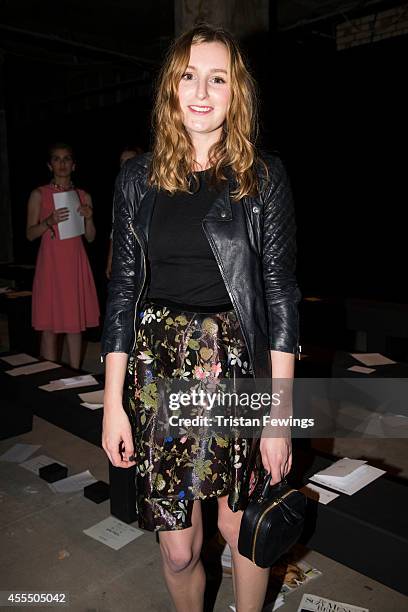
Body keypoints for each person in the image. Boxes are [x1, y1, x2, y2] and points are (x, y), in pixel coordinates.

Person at [101, 24, 300, 612]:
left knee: (242, 532)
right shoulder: (136, 179)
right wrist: (113, 402)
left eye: (217, 77)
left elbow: (280, 295)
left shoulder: (263, 177)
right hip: (158, 371)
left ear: (236, 92)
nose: (201, 91)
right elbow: (121, 291)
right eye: (188, 75)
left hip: (235, 365)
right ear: (170, 88)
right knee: (180, 551)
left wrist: (280, 415)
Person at [26, 142, 100, 369]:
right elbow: (30, 234)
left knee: (74, 324)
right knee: (49, 326)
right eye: (57, 159)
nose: (62, 164)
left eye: (66, 159)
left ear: (73, 165)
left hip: (74, 264)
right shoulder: (39, 194)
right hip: (50, 264)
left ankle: (76, 376)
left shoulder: (83, 195)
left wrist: (88, 218)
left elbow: (90, 238)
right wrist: (48, 222)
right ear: (50, 165)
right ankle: (48, 376)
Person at [105, 145, 144, 279]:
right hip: (125, 252)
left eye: (130, 161)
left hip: (145, 252)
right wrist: (111, 260)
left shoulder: (150, 190)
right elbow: (116, 227)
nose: (126, 165)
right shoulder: (119, 192)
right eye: (122, 162)